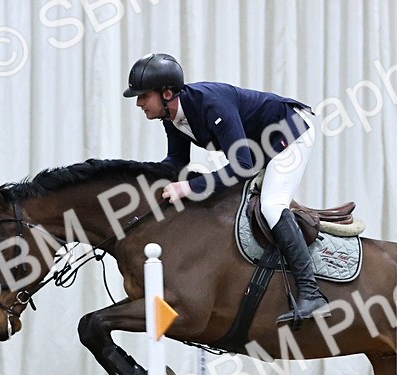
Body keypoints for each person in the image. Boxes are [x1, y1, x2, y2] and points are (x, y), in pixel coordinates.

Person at [123, 53, 328, 325]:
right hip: (257, 147)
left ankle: (311, 293)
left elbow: (241, 165)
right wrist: (142, 182)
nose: (138, 103)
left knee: (272, 205)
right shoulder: (171, 117)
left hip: (290, 133)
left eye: (142, 96)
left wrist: (189, 187)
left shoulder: (210, 104)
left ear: (167, 93)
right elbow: (176, 162)